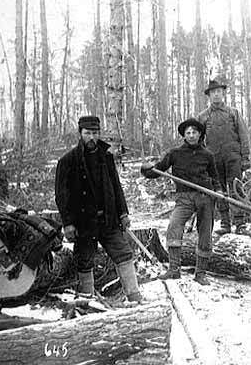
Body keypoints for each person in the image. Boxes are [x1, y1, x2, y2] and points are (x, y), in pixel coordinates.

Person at [54, 116, 142, 302]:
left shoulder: (106, 157)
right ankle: (87, 300)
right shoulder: (68, 161)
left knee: (124, 254)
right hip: (84, 222)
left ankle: (135, 297)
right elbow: (62, 196)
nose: (92, 137)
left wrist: (123, 213)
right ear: (80, 134)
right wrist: (68, 223)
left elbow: (116, 187)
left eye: (95, 133)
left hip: (108, 219)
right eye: (88, 133)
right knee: (85, 260)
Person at [141, 118, 222, 285]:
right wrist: (146, 170)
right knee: (174, 226)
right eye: (188, 133)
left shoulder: (207, 155)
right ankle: (174, 270)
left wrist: (219, 191)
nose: (191, 135)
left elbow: (215, 178)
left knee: (205, 234)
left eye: (194, 132)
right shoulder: (175, 153)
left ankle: (200, 273)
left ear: (200, 135)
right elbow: (159, 169)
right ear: (184, 135)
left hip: (205, 197)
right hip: (184, 198)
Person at [197, 80, 251, 235]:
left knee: (236, 188)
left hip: (233, 158)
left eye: (219, 91)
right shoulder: (203, 117)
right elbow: (199, 142)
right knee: (219, 191)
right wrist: (201, 162)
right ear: (208, 96)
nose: (216, 95)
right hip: (213, 160)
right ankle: (225, 223)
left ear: (223, 93)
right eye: (213, 92)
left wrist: (245, 157)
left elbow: (243, 135)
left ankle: (240, 223)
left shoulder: (233, 113)